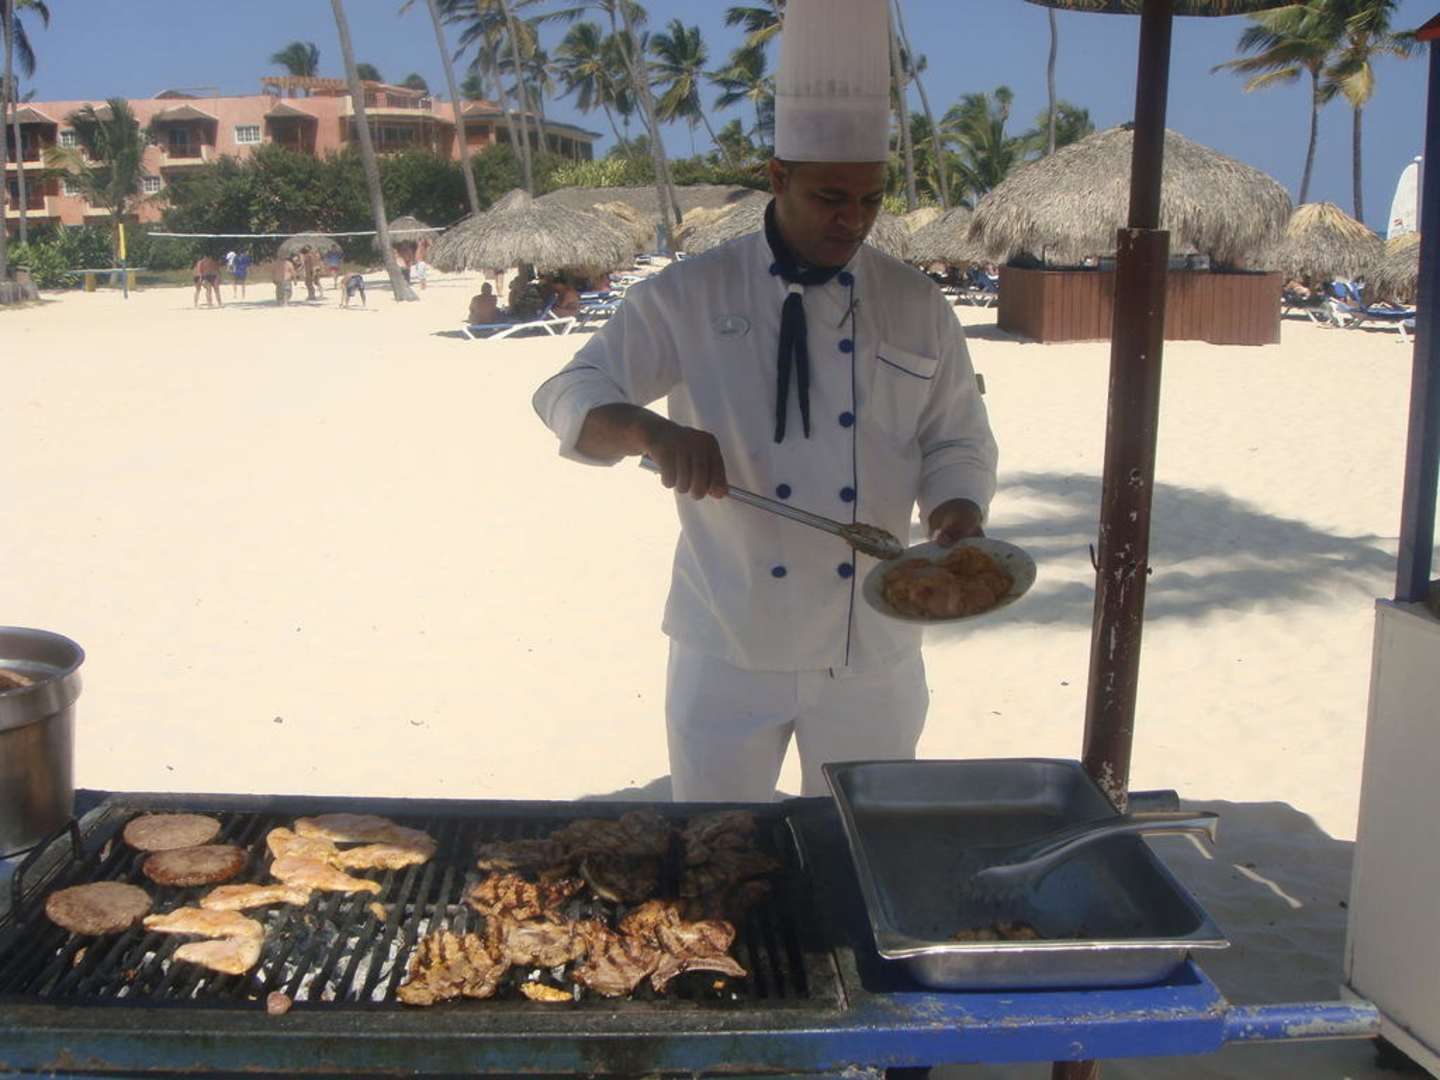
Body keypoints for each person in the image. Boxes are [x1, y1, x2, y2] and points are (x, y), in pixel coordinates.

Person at [532, 0, 997, 804]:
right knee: (714, 841)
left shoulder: (916, 302)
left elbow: (956, 436)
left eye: (870, 200)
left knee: (861, 840)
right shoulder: (689, 294)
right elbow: (567, 392)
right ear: (778, 178)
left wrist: (957, 508)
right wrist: (648, 431)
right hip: (728, 637)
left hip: (873, 643)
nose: (853, 221)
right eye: (830, 197)